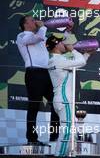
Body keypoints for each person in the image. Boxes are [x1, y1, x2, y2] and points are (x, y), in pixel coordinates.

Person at [16, 15, 60, 145]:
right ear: (25, 24)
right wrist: (43, 27)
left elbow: (56, 43)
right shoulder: (22, 36)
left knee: (56, 104)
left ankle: (54, 136)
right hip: (33, 73)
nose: (35, 21)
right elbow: (39, 37)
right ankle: (32, 138)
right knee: (34, 106)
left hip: (47, 73)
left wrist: (68, 31)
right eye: (32, 20)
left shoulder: (40, 36)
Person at [46, 34, 91, 156]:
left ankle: (69, 154)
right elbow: (80, 61)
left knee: (71, 132)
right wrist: (73, 49)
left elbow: (78, 62)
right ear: (56, 46)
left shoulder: (55, 60)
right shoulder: (59, 60)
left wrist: (88, 54)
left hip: (61, 99)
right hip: (64, 100)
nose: (63, 44)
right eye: (60, 42)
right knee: (66, 132)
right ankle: (59, 155)